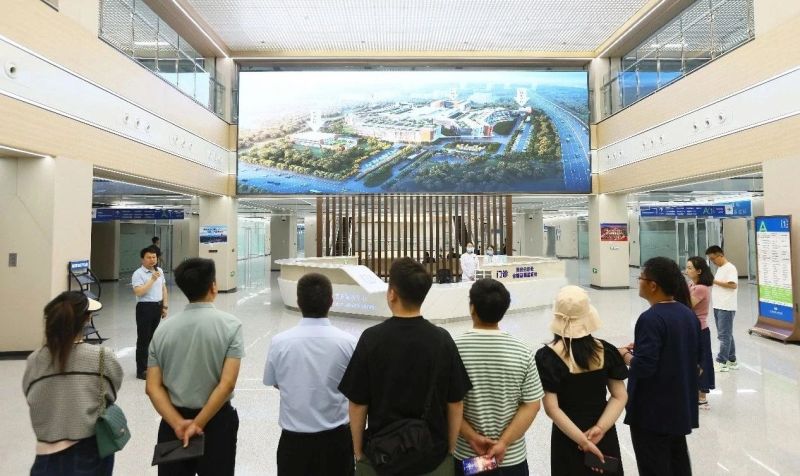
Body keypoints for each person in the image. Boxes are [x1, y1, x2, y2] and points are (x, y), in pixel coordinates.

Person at [339, 257, 472, 476]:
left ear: (392, 294)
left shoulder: (371, 339)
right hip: (431, 456)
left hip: (381, 457)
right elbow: (455, 402)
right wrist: (449, 449)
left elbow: (357, 404)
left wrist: (358, 451)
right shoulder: (442, 340)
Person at [146, 258, 244, 476]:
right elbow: (226, 384)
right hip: (217, 422)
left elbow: (152, 387)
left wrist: (178, 424)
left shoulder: (162, 331)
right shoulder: (231, 326)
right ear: (213, 287)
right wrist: (197, 424)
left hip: (173, 423)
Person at [264, 273, 357, 476]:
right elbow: (355, 387)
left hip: (293, 444)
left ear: (298, 302)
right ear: (331, 301)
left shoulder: (280, 342)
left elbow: (275, 382)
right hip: (337, 442)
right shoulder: (348, 343)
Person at [23, 292, 122, 476]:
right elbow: (110, 393)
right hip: (90, 451)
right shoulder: (101, 357)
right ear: (87, 319)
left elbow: (30, 396)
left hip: (45, 454)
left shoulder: (34, 360)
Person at [534, 285, 628, 476]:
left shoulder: (547, 357)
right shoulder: (607, 350)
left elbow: (552, 409)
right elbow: (620, 396)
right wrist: (600, 429)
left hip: (567, 436)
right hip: (603, 433)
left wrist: (583, 441)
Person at [454, 279, 543, 475]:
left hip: (468, 457)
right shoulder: (522, 352)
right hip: (511, 458)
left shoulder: (453, 349)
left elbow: (449, 403)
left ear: (472, 308)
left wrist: (472, 437)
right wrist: (503, 443)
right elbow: (532, 405)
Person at [621, 257, 700, 476]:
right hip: (678, 406)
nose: (639, 282)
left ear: (653, 285)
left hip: (652, 412)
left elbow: (643, 367)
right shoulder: (687, 314)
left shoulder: (651, 318)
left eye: (641, 278)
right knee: (677, 463)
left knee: (654, 467)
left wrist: (624, 355)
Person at [132, 246, 168, 380]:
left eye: (154, 257)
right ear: (142, 259)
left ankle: (151, 366)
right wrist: (152, 279)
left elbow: (163, 288)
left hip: (157, 307)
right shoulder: (138, 274)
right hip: (144, 308)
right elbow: (139, 292)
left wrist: (165, 306)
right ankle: (141, 370)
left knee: (152, 339)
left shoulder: (159, 271)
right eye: (149, 257)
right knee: (143, 339)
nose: (152, 260)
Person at [686, 257, 716, 408]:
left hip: (700, 329)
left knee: (702, 361)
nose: (687, 270)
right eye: (687, 267)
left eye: (690, 268)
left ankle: (702, 396)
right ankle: (694, 392)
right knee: (692, 360)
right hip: (691, 328)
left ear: (699, 271)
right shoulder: (691, 285)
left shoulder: (701, 288)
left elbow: (687, 305)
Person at [705, 245, 739, 372]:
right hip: (718, 305)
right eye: (710, 260)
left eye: (713, 259)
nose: (713, 262)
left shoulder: (730, 268)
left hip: (726, 306)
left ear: (720, 255)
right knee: (726, 334)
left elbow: (733, 285)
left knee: (724, 335)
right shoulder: (720, 268)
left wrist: (714, 281)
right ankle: (732, 360)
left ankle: (721, 361)